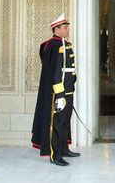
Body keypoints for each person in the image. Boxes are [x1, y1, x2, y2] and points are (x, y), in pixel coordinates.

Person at [31, 13, 81, 166]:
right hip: (59, 92)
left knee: (65, 121)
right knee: (57, 123)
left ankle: (64, 148)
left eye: (67, 28)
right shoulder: (54, 45)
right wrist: (59, 94)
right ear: (56, 29)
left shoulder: (66, 44)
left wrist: (70, 88)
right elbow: (55, 72)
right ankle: (56, 154)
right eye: (65, 28)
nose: (68, 30)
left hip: (68, 90)